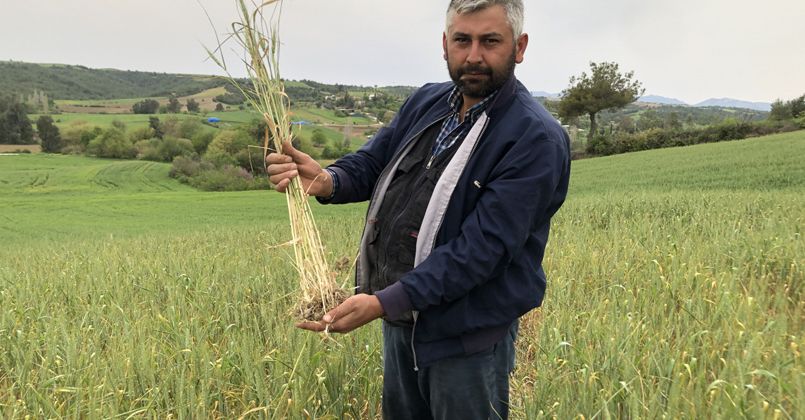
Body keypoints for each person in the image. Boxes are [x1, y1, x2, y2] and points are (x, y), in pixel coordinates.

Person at [266, 0, 570, 418]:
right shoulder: (428, 103)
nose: (474, 56)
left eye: (491, 41)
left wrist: (381, 302)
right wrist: (328, 180)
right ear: (445, 44)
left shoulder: (534, 138)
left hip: (467, 338)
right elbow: (375, 162)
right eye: (463, 40)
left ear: (519, 47)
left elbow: (482, 250)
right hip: (402, 322)